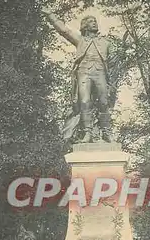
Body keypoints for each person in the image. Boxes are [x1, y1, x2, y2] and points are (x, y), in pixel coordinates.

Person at [43, 9, 116, 143]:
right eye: (90, 22)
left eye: (95, 21)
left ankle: (106, 132)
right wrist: (50, 15)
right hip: (84, 73)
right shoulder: (80, 40)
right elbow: (64, 30)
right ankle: (87, 132)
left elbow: (114, 60)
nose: (94, 23)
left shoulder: (106, 43)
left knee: (104, 102)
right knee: (84, 101)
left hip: (100, 73)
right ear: (85, 26)